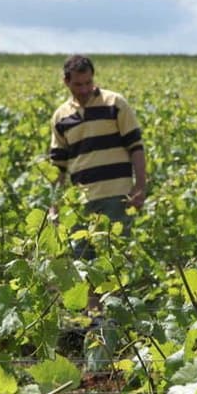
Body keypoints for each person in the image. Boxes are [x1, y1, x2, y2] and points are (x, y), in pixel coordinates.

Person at [49, 54, 147, 261]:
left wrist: (140, 186)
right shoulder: (61, 117)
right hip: (80, 202)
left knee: (116, 261)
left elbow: (136, 147)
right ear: (66, 81)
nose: (84, 89)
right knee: (83, 265)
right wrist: (54, 205)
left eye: (88, 83)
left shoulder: (115, 103)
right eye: (78, 84)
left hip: (117, 196)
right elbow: (58, 167)